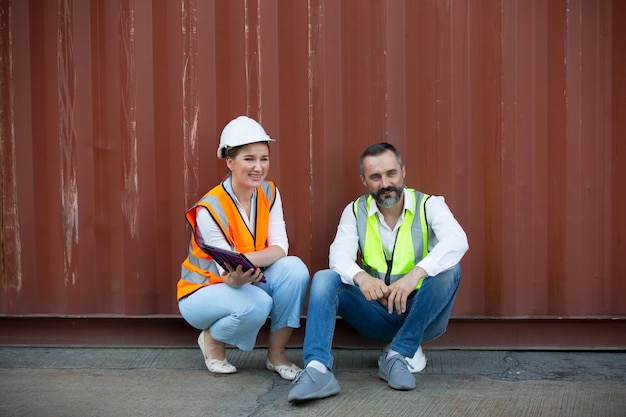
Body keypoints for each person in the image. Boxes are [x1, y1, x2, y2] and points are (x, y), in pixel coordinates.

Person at [288, 142, 469, 401]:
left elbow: (457, 240)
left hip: (423, 316)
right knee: (324, 279)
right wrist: (362, 278)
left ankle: (398, 354)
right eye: (375, 177)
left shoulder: (429, 205)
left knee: (449, 270)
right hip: (377, 314)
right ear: (364, 180)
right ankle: (317, 369)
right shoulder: (354, 211)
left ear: (403, 172)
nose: (385, 183)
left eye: (391, 174)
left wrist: (415, 275)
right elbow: (338, 256)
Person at [177, 115, 310, 381]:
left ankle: (277, 355)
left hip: (245, 277)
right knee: (259, 303)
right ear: (229, 162)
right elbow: (225, 272)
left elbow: (280, 248)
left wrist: (242, 261)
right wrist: (240, 270)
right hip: (202, 292)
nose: (258, 167)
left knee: (296, 270)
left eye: (264, 158)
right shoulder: (210, 208)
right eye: (249, 159)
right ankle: (212, 339)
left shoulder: (269, 193)